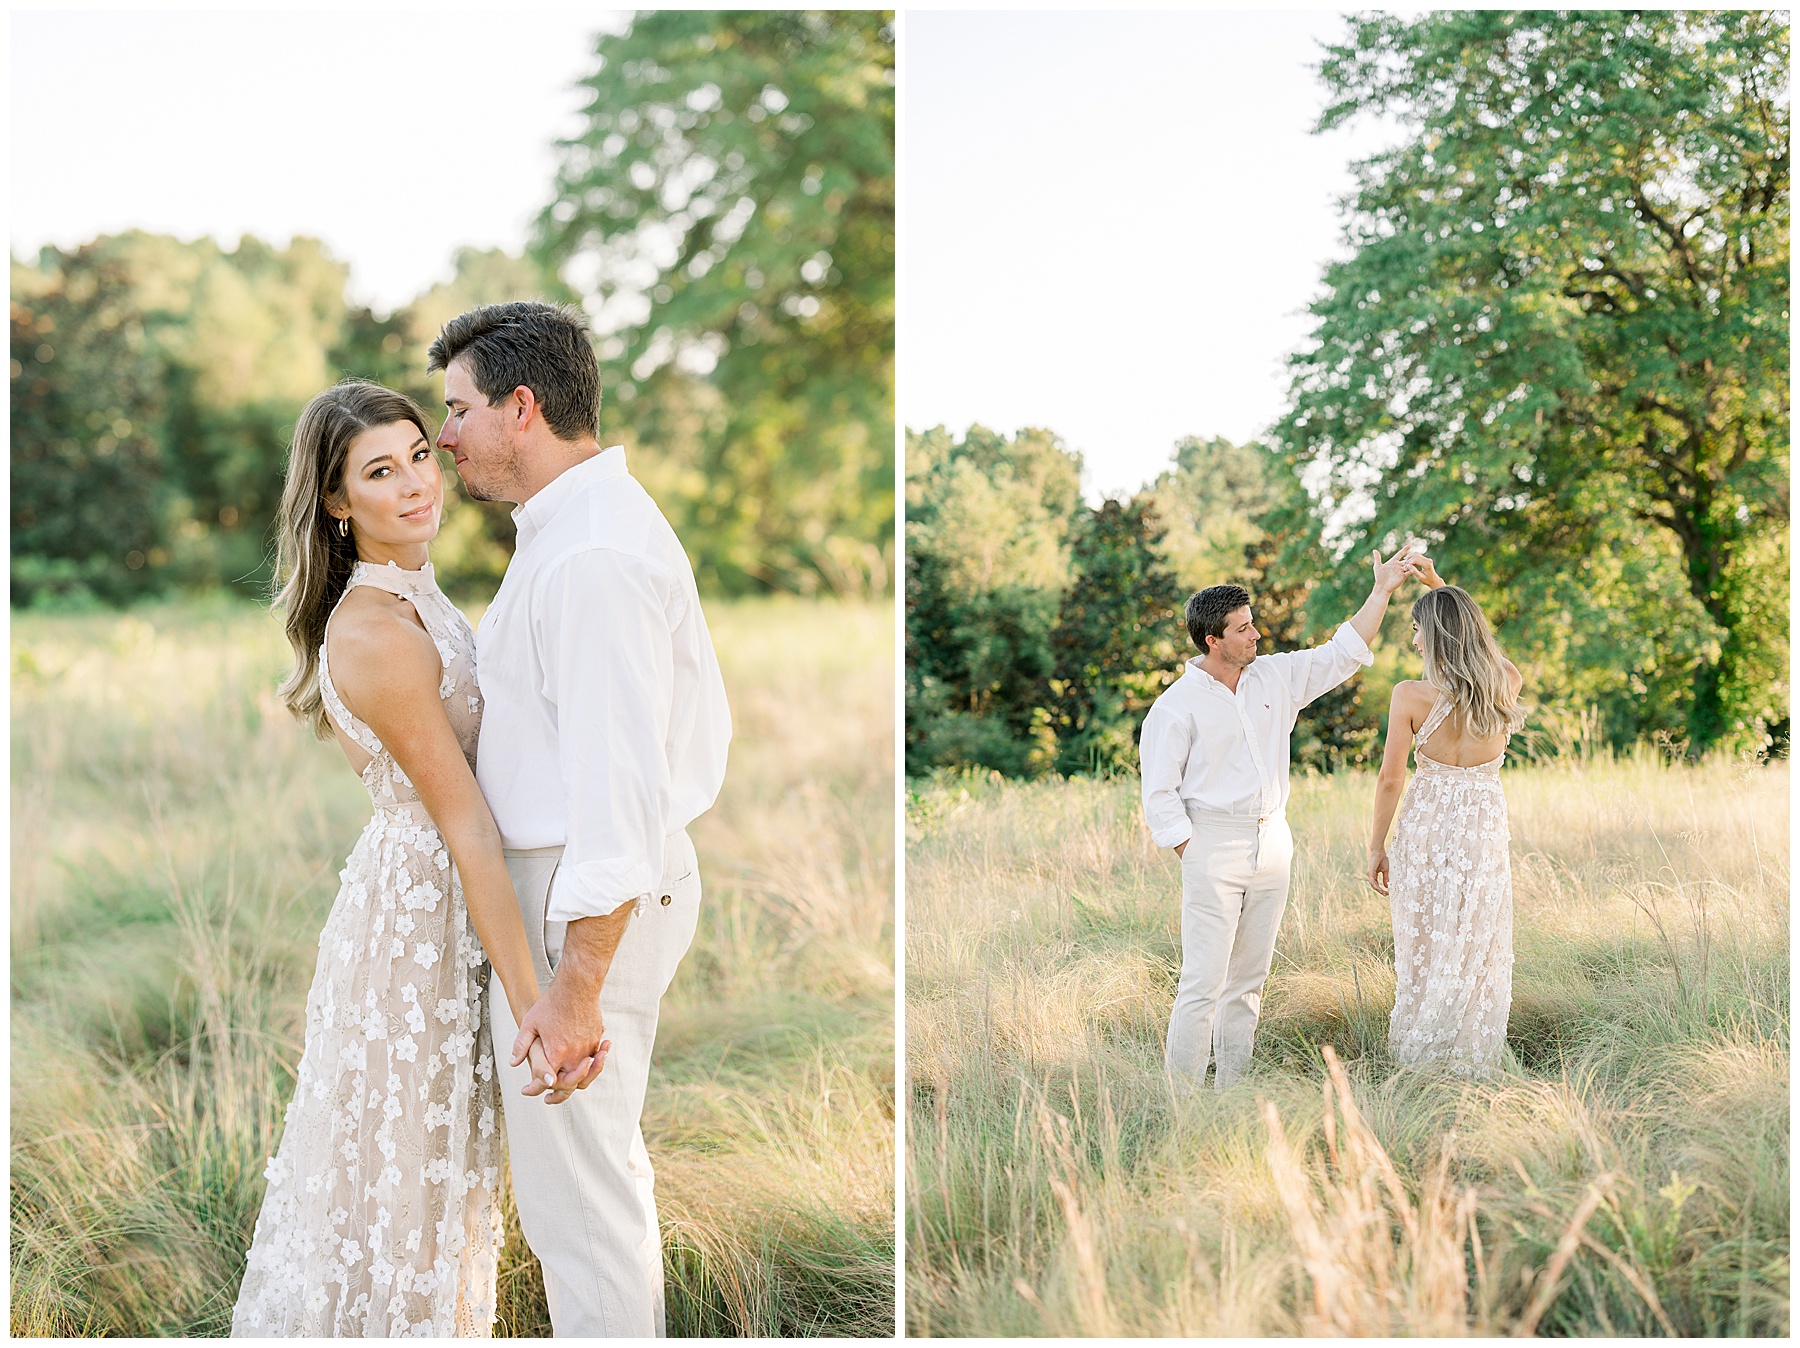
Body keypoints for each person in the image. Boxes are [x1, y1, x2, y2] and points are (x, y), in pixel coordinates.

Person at [234, 380, 571, 1336]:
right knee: (403, 1198)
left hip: (447, 906)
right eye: (381, 472)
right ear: (339, 504)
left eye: (421, 453)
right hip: (415, 929)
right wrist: (539, 999)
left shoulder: (416, 594)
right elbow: (464, 821)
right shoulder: (375, 629)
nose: (418, 483)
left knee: (446, 1194)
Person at [427, 301, 731, 1337]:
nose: (445, 434)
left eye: (459, 408)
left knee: (582, 1204)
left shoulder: (592, 555)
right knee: (583, 1187)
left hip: (586, 899)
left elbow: (617, 797)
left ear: (524, 405)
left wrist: (576, 983)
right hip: (569, 891)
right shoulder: (566, 532)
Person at [1139, 545, 1417, 1088]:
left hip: (1273, 843)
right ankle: (1181, 1097)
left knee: (1248, 979)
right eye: (1243, 629)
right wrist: (1191, 852)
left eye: (1254, 624)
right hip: (1211, 845)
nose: (1256, 636)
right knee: (1203, 981)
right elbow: (1160, 794)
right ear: (1212, 640)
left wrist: (1381, 590)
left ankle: (1232, 1088)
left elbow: (1344, 650)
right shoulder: (1175, 707)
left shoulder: (1275, 677)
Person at [1367, 559, 1525, 1076]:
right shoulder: (1505, 683)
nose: (1413, 640)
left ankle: (1421, 1054)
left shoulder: (1411, 696)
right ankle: (1469, 1056)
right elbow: (1488, 652)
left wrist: (1376, 846)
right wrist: (1440, 588)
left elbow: (1391, 778)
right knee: (1475, 939)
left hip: (1427, 829)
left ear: (1434, 635)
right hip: (1481, 829)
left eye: (1417, 629)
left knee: (1425, 940)